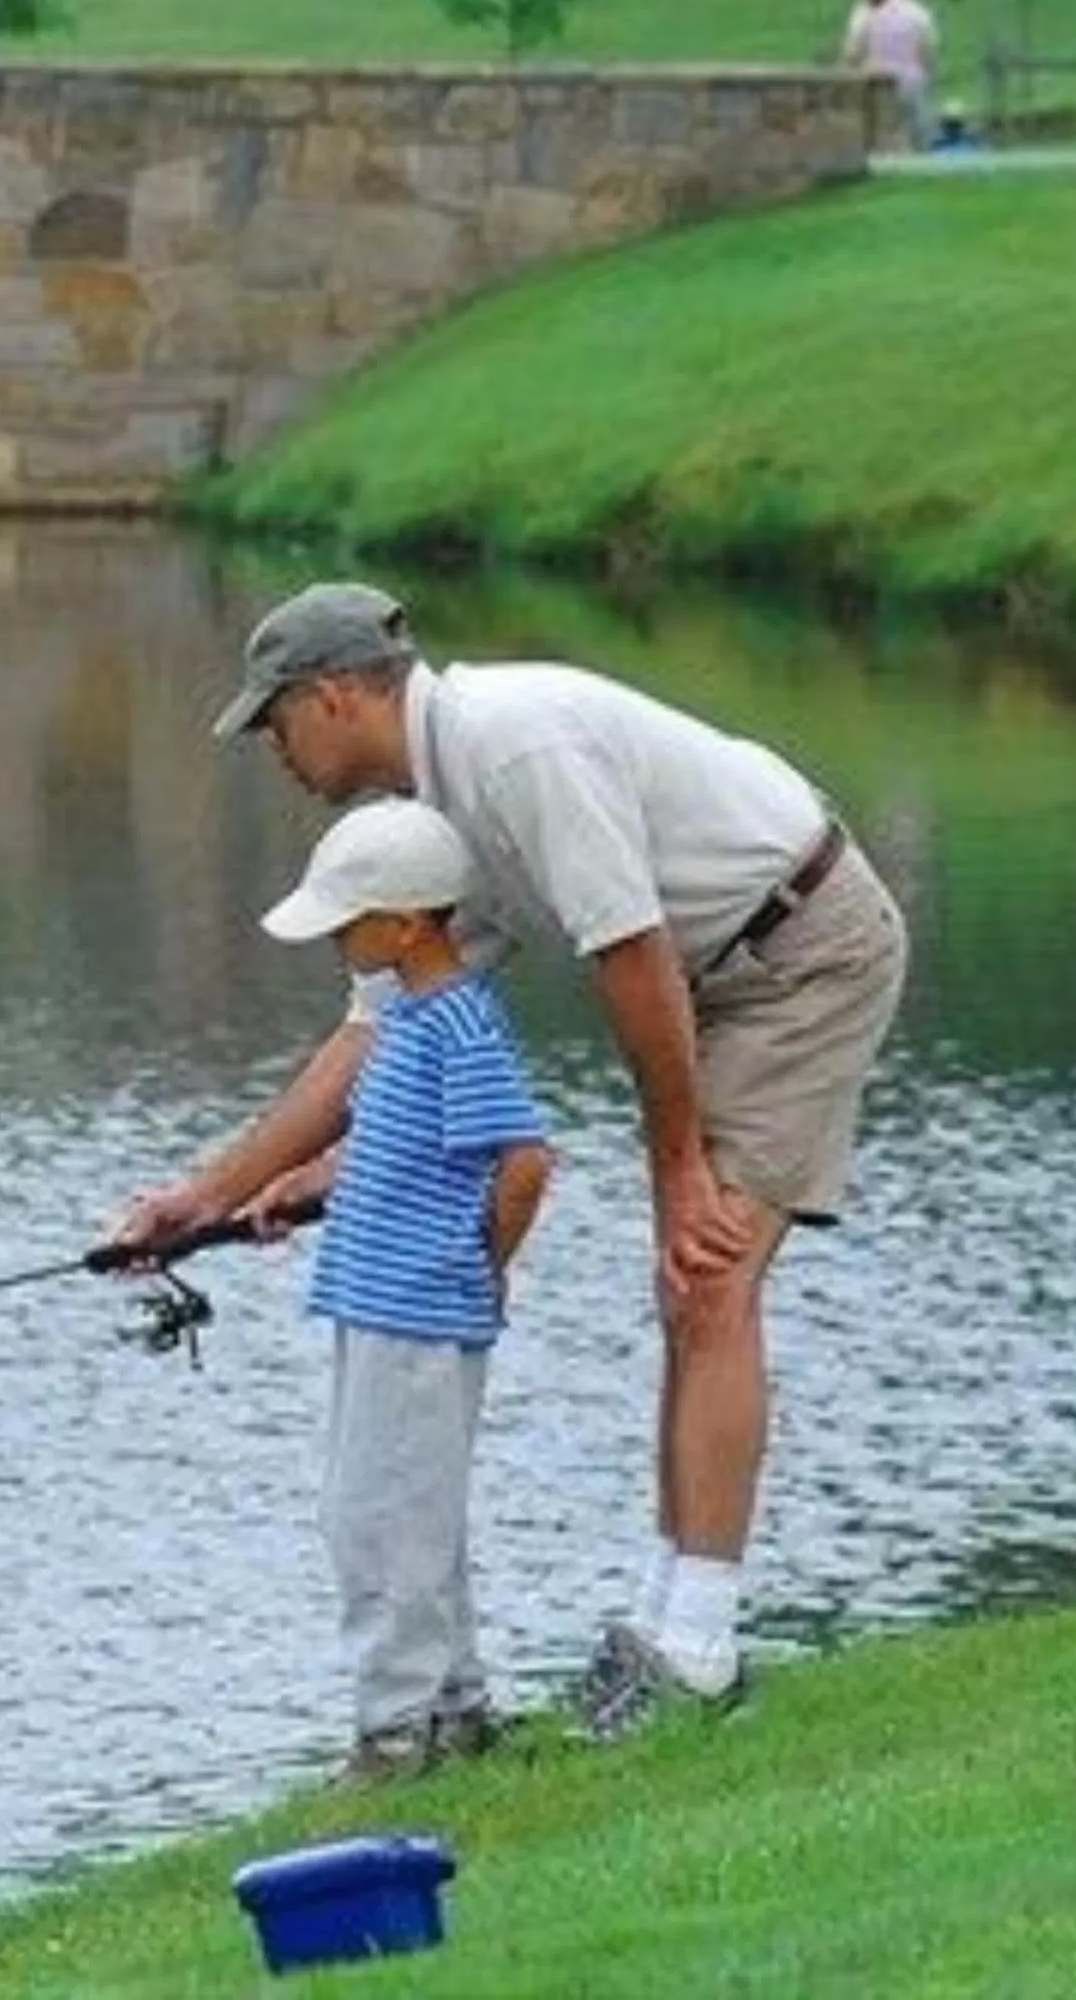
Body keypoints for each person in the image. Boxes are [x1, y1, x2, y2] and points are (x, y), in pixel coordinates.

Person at [110, 583, 907, 1743]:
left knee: (710, 1277)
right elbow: (371, 1034)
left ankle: (699, 1643)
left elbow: (628, 952)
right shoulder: (431, 835)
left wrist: (676, 1170)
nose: (271, 748)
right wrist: (209, 1197)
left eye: (273, 720)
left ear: (333, 696)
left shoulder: (511, 749)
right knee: (688, 1293)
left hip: (803, 951)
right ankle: (669, 1623)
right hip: (714, 970)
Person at [238, 795, 553, 1784]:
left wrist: (482, 1265)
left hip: (421, 1309)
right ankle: (454, 1712)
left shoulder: (457, 1020)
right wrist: (299, 1186)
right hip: (374, 1305)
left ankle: (392, 1734)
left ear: (407, 921)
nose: (335, 934)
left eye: (349, 916)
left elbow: (524, 1161)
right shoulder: (408, 1018)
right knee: (387, 1510)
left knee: (385, 1521)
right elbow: (393, 1154)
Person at [841, 0, 938, 152]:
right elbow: (926, 52)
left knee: (875, 141)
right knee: (916, 138)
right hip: (910, 83)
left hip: (875, 82)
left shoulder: (866, 11)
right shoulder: (918, 12)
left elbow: (851, 53)